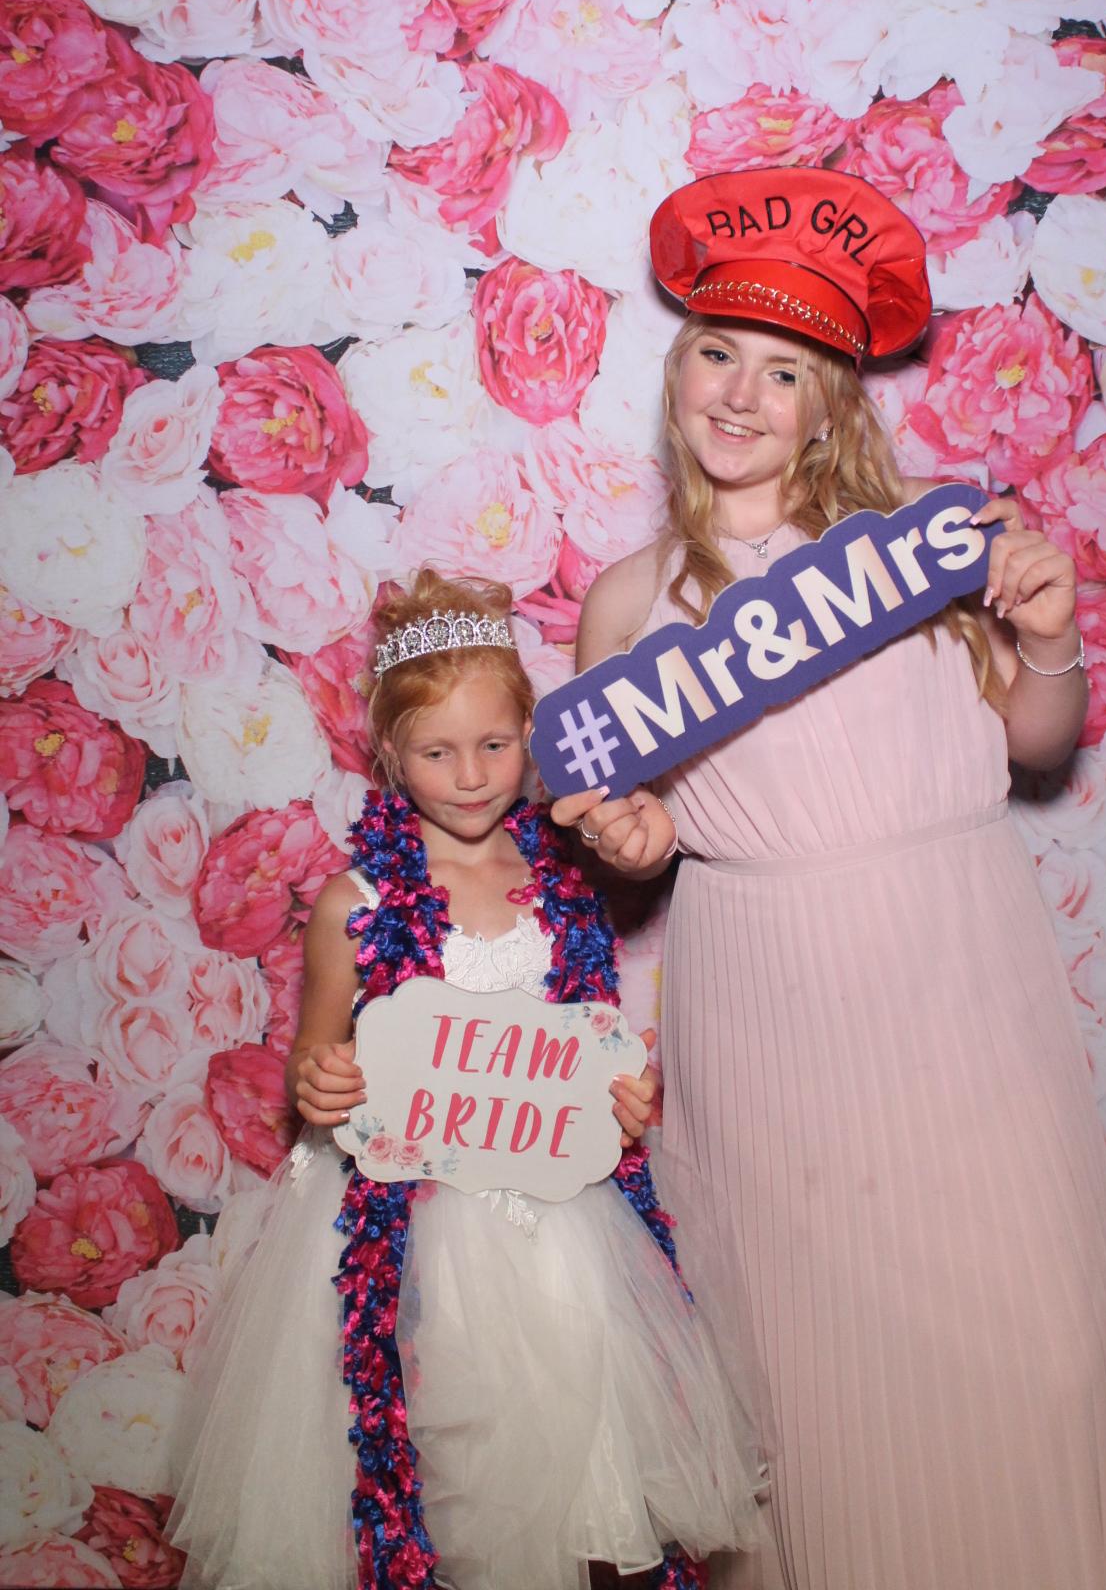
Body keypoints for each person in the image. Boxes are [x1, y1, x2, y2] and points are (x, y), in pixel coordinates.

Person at [551, 168, 1106, 1590]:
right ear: (676, 370)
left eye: (784, 372)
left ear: (831, 406)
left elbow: (1034, 740)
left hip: (962, 982)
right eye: (718, 353)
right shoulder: (624, 604)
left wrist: (1056, 631)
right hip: (764, 1008)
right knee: (813, 1386)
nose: (740, 395)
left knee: (1031, 1354)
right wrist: (627, 841)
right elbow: (626, 827)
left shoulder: (930, 554)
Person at [166, 568, 763, 1590]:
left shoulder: (564, 881)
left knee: (572, 1468)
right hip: (410, 1229)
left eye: (494, 744)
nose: (473, 774)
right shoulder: (353, 903)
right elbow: (320, 1058)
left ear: (529, 734)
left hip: (556, 1224)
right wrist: (321, 1084)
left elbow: (589, 1046)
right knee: (437, 1473)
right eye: (439, 753)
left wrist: (620, 1103)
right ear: (390, 755)